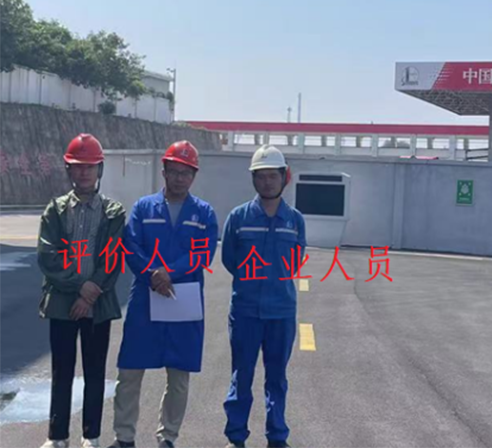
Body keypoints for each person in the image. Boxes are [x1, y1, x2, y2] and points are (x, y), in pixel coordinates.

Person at [107, 141, 218, 448]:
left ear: (194, 176)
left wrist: (169, 273)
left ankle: (168, 436)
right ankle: (124, 436)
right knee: (130, 371)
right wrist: (153, 276)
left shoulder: (203, 213)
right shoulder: (144, 208)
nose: (180, 178)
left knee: (179, 376)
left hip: (183, 300)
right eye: (174, 171)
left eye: (186, 173)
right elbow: (131, 246)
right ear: (164, 171)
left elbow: (203, 253)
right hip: (146, 298)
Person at [38, 134, 126, 448]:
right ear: (69, 170)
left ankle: (91, 435)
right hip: (62, 303)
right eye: (78, 166)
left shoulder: (113, 212)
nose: (84, 172)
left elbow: (112, 258)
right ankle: (57, 436)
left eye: (90, 166)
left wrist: (90, 293)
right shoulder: (56, 210)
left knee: (95, 371)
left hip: (97, 305)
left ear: (99, 169)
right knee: (61, 370)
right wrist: (80, 287)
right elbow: (48, 256)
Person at [221, 145, 306, 448]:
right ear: (253, 179)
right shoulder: (239, 217)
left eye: (273, 176)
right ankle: (236, 436)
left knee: (277, 378)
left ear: (285, 177)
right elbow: (230, 259)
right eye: (261, 176)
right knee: (241, 375)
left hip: (281, 312)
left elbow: (295, 261)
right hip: (245, 312)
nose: (267, 182)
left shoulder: (294, 220)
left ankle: (277, 436)